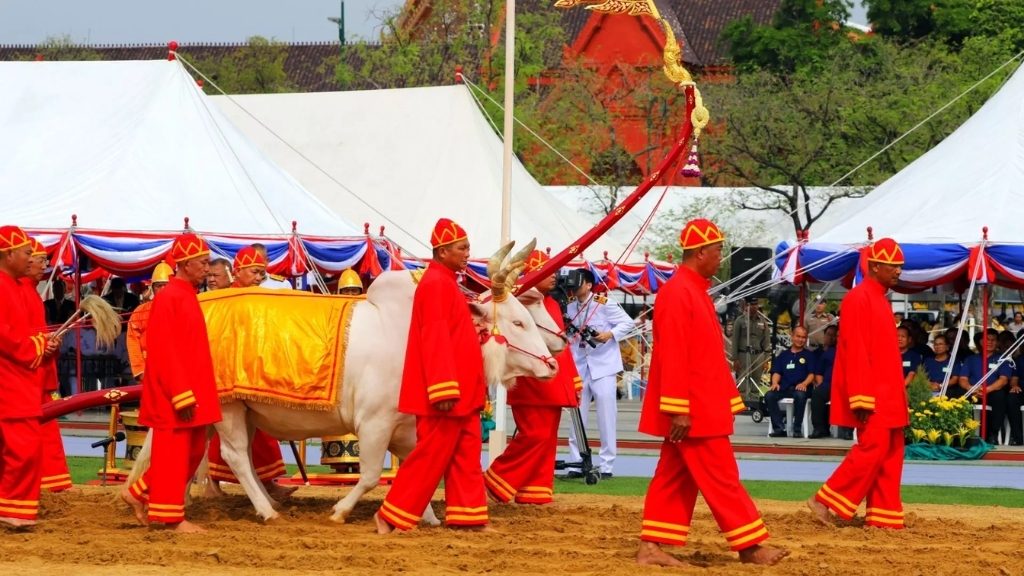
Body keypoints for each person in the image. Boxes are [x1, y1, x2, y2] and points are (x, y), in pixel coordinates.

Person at [636, 219, 787, 567]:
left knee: (673, 476)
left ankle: (650, 548)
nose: (721, 257)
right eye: (718, 250)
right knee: (722, 478)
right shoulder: (679, 292)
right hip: (694, 408)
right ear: (700, 251)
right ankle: (750, 546)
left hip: (699, 404)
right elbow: (673, 354)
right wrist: (678, 408)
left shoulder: (692, 290)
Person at [374, 218, 489, 534]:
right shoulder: (436, 283)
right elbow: (434, 338)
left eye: (467, 247)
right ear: (442, 251)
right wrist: (442, 389)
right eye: (462, 248)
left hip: (462, 390)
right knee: (430, 456)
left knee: (467, 453)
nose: (468, 253)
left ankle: (469, 518)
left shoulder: (445, 281)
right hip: (447, 392)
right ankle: (390, 515)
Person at [121, 234, 222, 533]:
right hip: (176, 392)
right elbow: (164, 350)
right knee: (174, 453)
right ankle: (169, 517)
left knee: (190, 453)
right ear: (187, 263)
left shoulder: (185, 293)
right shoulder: (169, 297)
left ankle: (138, 492)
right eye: (203, 263)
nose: (207, 268)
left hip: (191, 389)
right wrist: (181, 394)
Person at [807, 238, 908, 529]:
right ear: (875, 266)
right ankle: (824, 499)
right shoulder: (858, 298)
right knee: (873, 448)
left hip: (889, 393)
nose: (899, 271)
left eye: (900, 266)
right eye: (894, 266)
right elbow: (855, 351)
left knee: (891, 451)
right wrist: (861, 396)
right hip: (873, 393)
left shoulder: (878, 298)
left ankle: (884, 516)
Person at [484, 249, 581, 505]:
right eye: (546, 271)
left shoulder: (549, 302)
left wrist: (573, 381)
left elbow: (563, 349)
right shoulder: (521, 302)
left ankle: (535, 491)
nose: (554, 276)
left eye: (554, 271)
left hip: (554, 380)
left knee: (547, 437)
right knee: (535, 435)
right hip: (531, 380)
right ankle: (495, 480)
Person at [204, 247, 291, 500]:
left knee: (259, 433)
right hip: (228, 376)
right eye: (255, 272)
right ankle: (213, 484)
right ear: (238, 272)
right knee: (224, 433)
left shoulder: (256, 295)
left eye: (262, 273)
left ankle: (265, 483)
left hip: (251, 375)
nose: (259, 278)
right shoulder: (226, 300)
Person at [0, 226, 60, 528]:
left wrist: (43, 345)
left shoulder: (14, 286)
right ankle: (12, 510)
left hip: (19, 376)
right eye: (27, 253)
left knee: (18, 447)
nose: (32, 259)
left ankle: (11, 507)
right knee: (24, 447)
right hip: (10, 380)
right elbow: (5, 336)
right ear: (9, 254)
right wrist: (37, 345)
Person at [565, 269, 634, 479]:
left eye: (578, 285)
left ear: (588, 285)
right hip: (580, 366)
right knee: (576, 416)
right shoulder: (569, 306)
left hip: (603, 366)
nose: (575, 290)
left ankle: (606, 466)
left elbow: (628, 322)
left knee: (606, 416)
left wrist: (609, 334)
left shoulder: (603, 303)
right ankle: (577, 463)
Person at [21, 239, 72, 493]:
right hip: (28, 372)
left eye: (44, 260)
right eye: (39, 259)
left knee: (47, 428)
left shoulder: (30, 292)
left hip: (40, 369)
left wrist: (49, 343)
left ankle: (54, 481)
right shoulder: (19, 291)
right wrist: (43, 344)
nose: (44, 265)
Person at [958, 329, 1011, 444]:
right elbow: (962, 379)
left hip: (992, 391)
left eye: (993, 340)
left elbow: (1003, 380)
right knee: (959, 396)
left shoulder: (1003, 359)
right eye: (987, 339)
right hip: (973, 391)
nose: (990, 342)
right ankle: (963, 434)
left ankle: (993, 434)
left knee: (1000, 397)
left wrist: (987, 390)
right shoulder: (971, 359)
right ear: (981, 341)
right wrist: (970, 388)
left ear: (998, 343)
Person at [764, 326, 816, 438]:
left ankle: (797, 429)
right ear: (792, 336)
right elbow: (777, 372)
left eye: (803, 337)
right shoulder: (784, 355)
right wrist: (775, 383)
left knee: (800, 396)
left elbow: (812, 374)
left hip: (801, 388)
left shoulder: (809, 355)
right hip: (784, 387)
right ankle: (779, 428)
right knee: (769, 395)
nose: (800, 339)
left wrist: (804, 384)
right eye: (798, 336)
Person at [126, 263, 174, 382]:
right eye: (159, 286)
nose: (162, 289)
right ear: (152, 287)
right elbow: (132, 340)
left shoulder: (181, 308)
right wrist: (139, 370)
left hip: (175, 368)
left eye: (166, 285)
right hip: (148, 368)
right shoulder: (140, 311)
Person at [729, 297, 771, 400]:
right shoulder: (740, 320)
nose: (754, 307)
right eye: (751, 304)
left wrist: (766, 359)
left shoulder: (763, 321)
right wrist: (735, 358)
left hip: (758, 355)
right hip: (743, 354)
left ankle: (754, 402)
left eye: (755, 304)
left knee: (756, 380)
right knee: (743, 380)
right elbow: (735, 340)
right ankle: (743, 402)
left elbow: (766, 341)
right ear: (746, 306)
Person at [809, 325, 838, 439]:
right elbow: (819, 372)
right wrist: (821, 385)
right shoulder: (827, 353)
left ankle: (847, 430)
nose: (833, 338)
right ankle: (819, 428)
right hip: (828, 385)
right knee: (817, 394)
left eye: (835, 335)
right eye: (829, 335)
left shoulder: (851, 351)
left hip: (845, 386)